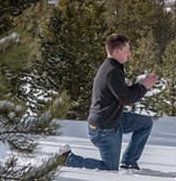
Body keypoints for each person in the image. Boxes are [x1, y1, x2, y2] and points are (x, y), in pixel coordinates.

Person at [60, 34, 158, 171]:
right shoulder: (111, 71)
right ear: (117, 52)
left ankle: (129, 162)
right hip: (104, 129)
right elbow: (126, 99)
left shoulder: (113, 67)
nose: (129, 54)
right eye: (127, 50)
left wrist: (141, 85)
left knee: (145, 123)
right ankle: (68, 159)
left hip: (113, 120)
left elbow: (123, 93)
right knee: (109, 168)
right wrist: (143, 87)